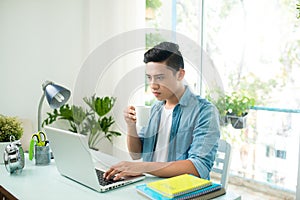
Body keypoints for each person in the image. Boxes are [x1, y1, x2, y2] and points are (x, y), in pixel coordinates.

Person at [104, 42, 220, 181]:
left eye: (160, 77)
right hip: (151, 184)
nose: (153, 85)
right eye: (149, 77)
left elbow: (199, 166)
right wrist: (131, 126)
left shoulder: (205, 111)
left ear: (180, 74)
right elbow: (136, 154)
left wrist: (143, 167)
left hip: (181, 191)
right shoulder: (155, 108)